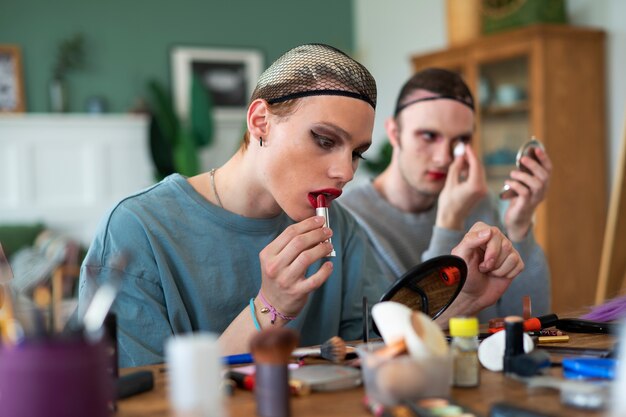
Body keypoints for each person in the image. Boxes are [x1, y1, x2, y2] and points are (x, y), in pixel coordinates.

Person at [78, 45, 524, 367]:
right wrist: (270, 307)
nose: (345, 172)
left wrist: (461, 301)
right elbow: (138, 399)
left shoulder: (341, 230)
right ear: (260, 121)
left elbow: (371, 355)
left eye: (356, 152)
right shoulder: (137, 231)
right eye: (325, 140)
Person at [340, 68, 551, 321]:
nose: (444, 157)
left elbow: (529, 320)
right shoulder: (351, 218)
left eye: (460, 141)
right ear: (395, 133)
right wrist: (449, 222)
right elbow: (406, 330)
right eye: (428, 136)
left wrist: (519, 227)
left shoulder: (476, 203)